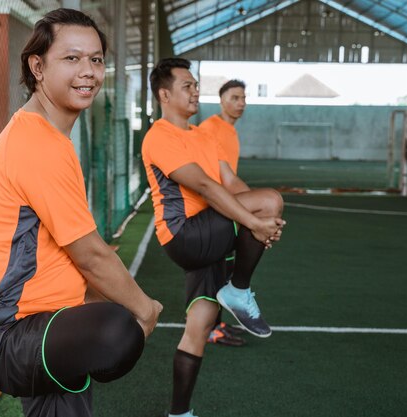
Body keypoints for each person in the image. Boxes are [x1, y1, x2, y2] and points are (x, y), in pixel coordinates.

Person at [0, 9, 162, 417]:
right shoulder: (37, 142)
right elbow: (90, 252)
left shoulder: (45, 135)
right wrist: (145, 310)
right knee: (115, 330)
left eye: (96, 59)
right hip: (7, 336)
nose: (88, 71)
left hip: (47, 322)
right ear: (37, 66)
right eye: (71, 58)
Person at [142, 58, 284, 417]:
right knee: (270, 201)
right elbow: (204, 186)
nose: (195, 91)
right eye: (187, 86)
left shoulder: (203, 135)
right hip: (185, 235)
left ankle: (179, 413)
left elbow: (230, 182)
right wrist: (257, 218)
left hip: (212, 230)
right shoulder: (159, 136)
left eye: (195, 85)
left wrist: (259, 221)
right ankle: (238, 289)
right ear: (164, 93)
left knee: (200, 324)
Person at [199, 79, 248, 347]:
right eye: (234, 98)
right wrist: (253, 206)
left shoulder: (230, 130)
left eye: (243, 98)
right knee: (211, 271)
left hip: (226, 207)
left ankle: (216, 324)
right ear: (221, 100)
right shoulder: (209, 129)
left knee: (223, 270)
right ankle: (207, 329)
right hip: (213, 209)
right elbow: (215, 177)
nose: (240, 103)